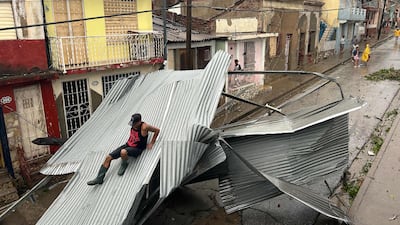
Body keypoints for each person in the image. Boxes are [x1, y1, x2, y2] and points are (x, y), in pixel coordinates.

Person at [87, 113, 160, 185]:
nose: (133, 125)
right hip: (128, 144)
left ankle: (124, 164)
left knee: (123, 152)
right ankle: (99, 178)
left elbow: (157, 130)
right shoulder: (133, 125)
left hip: (138, 148)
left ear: (139, 122)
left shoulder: (144, 127)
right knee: (108, 157)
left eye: (134, 124)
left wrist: (152, 143)